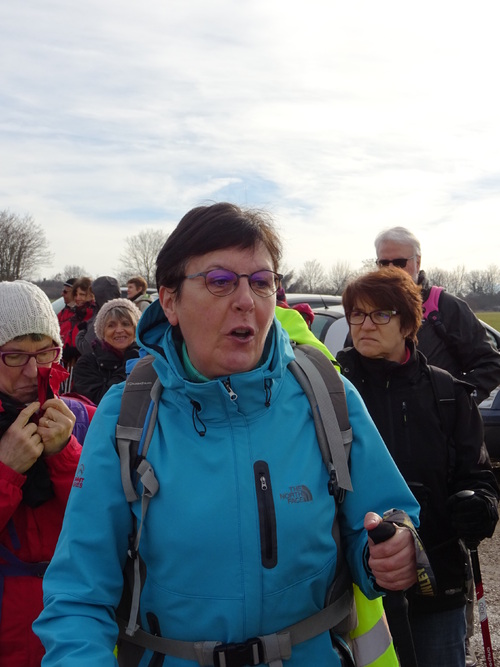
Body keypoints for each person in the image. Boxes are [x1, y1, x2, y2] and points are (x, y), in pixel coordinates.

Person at [34, 203, 420, 667]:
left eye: (261, 282)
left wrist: (390, 549)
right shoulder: (128, 412)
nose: (246, 300)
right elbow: (78, 593)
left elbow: (383, 518)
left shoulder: (326, 392)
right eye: (219, 281)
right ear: (170, 301)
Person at [336, 267, 499, 667]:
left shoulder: (447, 393)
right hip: (353, 588)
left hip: (436, 586)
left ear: (409, 323)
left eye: (381, 314)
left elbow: (477, 475)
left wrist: (480, 505)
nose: (365, 325)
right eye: (357, 313)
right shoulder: (329, 391)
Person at [0, 280, 94, 667]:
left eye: (45, 353)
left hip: (75, 622)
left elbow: (108, 527)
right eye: (14, 355)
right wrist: (7, 471)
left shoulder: (84, 417)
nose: (31, 370)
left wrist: (66, 453)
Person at [374, 226, 500, 405]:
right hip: (382, 428)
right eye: (383, 263)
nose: (391, 269)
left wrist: (457, 403)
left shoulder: (445, 306)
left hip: (437, 428)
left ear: (417, 262)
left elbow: (491, 363)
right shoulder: (367, 311)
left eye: (400, 262)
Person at [72, 298, 141, 405]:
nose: (119, 330)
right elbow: (101, 402)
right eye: (111, 325)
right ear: (102, 332)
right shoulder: (87, 363)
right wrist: (130, 364)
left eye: (126, 324)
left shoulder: (146, 359)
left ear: (135, 329)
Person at [75, 275, 121, 356]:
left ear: (100, 295)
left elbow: (86, 347)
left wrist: (82, 331)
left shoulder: (103, 315)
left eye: (94, 294)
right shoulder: (125, 312)